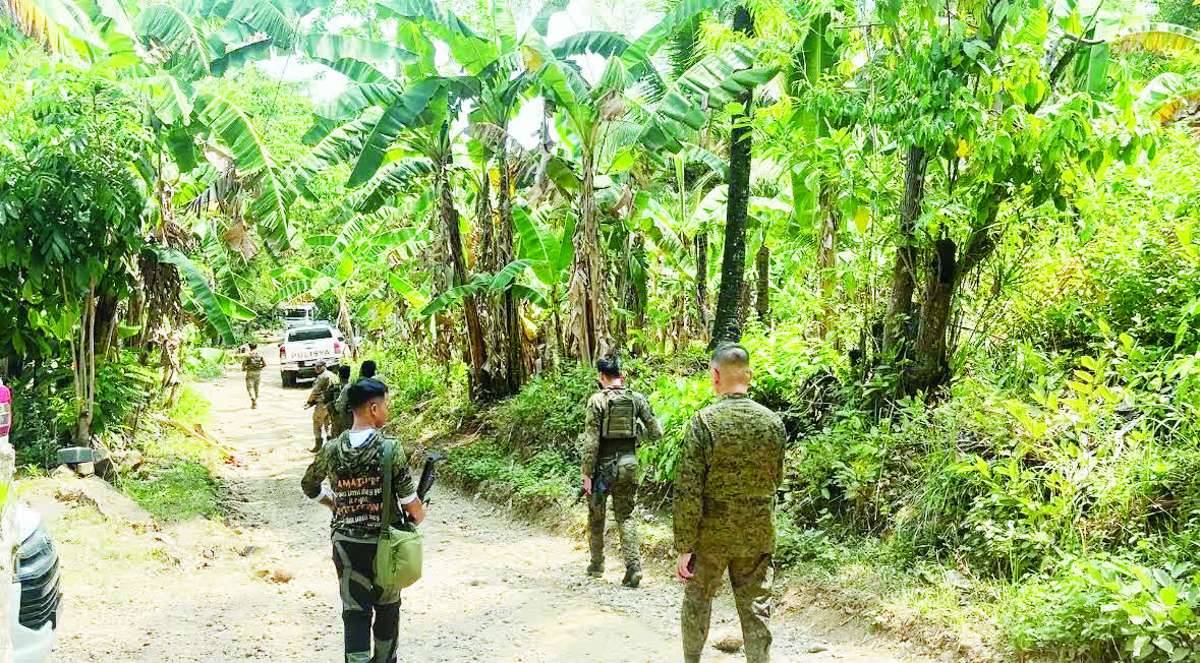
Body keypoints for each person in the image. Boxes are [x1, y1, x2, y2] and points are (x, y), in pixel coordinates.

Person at [673, 344, 786, 663]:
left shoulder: (704, 422)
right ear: (749, 375)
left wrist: (685, 545)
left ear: (715, 376)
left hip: (710, 538)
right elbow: (775, 479)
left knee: (698, 601)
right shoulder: (772, 423)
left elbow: (688, 489)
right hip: (757, 534)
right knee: (756, 608)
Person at [301, 378, 425, 663]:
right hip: (384, 547)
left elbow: (309, 485)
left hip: (345, 544)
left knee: (354, 613)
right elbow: (411, 504)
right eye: (385, 405)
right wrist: (419, 515)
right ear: (372, 408)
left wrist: (333, 502)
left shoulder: (331, 449)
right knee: (387, 609)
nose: (387, 410)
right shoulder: (390, 449)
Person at [579, 354, 661, 588]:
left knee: (596, 516)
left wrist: (586, 473)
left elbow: (591, 441)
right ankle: (633, 568)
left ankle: (597, 565)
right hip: (629, 466)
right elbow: (656, 432)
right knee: (626, 516)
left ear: (602, 377)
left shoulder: (597, 401)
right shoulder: (637, 399)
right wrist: (635, 438)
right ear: (621, 376)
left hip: (602, 470)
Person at [306, 361, 338, 453]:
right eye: (316, 367)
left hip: (322, 404)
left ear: (324, 366)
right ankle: (330, 445)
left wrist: (309, 402)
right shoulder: (333, 375)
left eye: (318, 367)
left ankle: (318, 446)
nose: (316, 368)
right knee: (328, 424)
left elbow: (315, 391)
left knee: (317, 423)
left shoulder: (322, 377)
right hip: (332, 404)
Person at [330, 365, 354, 438]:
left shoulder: (334, 388)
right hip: (351, 417)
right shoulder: (353, 387)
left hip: (338, 416)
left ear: (339, 375)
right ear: (349, 374)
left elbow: (330, 402)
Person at [240, 343, 266, 409]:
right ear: (256, 347)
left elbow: (243, 365)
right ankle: (255, 401)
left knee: (250, 388)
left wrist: (244, 369)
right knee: (256, 388)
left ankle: (253, 399)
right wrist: (260, 367)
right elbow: (265, 364)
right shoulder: (260, 355)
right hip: (258, 373)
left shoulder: (248, 355)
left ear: (249, 347)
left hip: (250, 373)